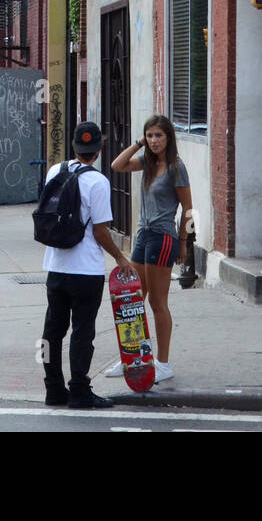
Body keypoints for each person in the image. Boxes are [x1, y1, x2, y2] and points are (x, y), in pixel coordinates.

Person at [41, 121, 129, 410]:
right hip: (86, 271)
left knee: (52, 331)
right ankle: (79, 389)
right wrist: (119, 257)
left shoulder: (55, 171)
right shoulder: (99, 182)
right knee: (82, 331)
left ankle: (53, 389)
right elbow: (102, 232)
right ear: (98, 150)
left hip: (55, 266)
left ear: (75, 146)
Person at [107, 114, 192, 384]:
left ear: (169, 138)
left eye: (159, 136)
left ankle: (163, 363)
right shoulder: (145, 161)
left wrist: (184, 242)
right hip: (143, 235)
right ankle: (131, 358)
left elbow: (189, 209)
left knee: (157, 303)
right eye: (151, 136)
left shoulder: (176, 168)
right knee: (133, 299)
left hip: (163, 238)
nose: (154, 141)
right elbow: (117, 165)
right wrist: (138, 143)